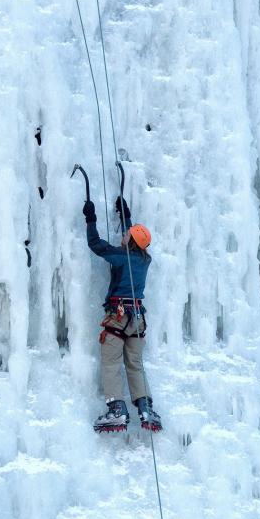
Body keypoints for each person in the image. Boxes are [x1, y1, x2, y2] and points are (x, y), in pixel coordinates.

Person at [80, 184, 162, 433]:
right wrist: (125, 214)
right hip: (137, 319)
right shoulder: (144, 259)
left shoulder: (120, 256)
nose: (124, 235)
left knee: (111, 362)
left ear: (132, 242)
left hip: (117, 317)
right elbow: (133, 236)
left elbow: (95, 244)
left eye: (128, 234)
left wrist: (90, 218)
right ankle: (145, 408)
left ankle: (117, 409)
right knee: (135, 363)